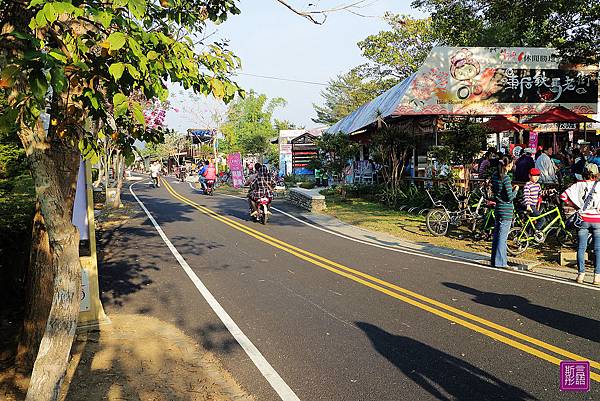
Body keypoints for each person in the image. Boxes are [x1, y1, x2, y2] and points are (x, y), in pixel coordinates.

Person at [560, 163, 600, 285]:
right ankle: (597, 276)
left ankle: (580, 275)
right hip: (597, 220)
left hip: (583, 219)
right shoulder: (599, 186)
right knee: (598, 249)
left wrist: (575, 205)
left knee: (581, 248)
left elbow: (563, 196)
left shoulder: (578, 185)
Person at [491, 155, 518, 269]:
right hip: (506, 210)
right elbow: (510, 197)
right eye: (512, 164)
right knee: (503, 237)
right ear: (508, 165)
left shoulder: (495, 176)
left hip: (498, 208)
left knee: (497, 236)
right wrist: (515, 190)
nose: (512, 166)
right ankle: (501, 262)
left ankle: (494, 259)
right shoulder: (506, 178)